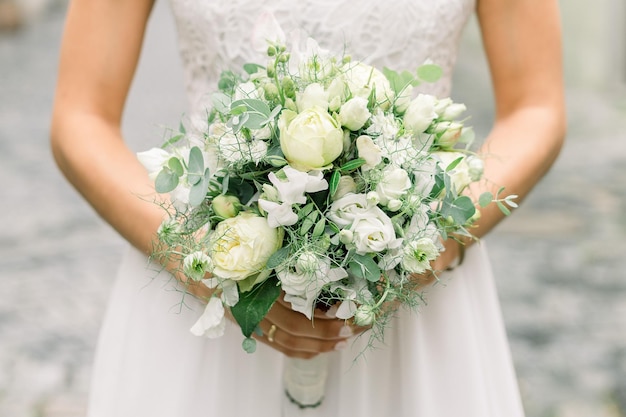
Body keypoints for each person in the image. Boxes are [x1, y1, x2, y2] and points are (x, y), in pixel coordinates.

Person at [50, 0, 566, 416]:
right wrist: (202, 262)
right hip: (206, 287)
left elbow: (535, 106)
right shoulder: (203, 263)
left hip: (415, 303)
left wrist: (435, 242)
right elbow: (81, 118)